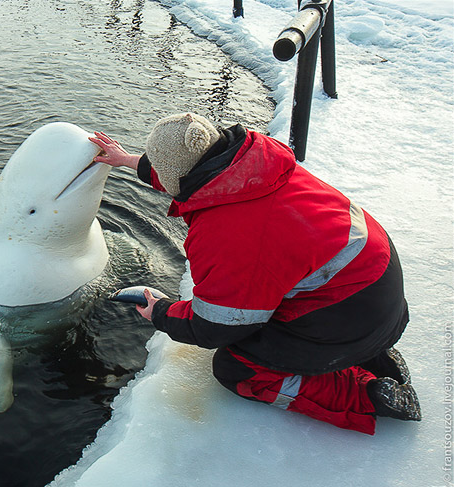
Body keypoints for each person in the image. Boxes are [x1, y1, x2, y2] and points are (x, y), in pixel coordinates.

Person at [89, 112, 421, 435]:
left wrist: (160, 312)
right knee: (286, 298)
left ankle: (365, 394)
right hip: (379, 293)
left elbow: (214, 327)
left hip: (348, 317)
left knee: (236, 368)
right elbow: (182, 170)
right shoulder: (255, 167)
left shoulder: (226, 233)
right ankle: (373, 355)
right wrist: (125, 160)